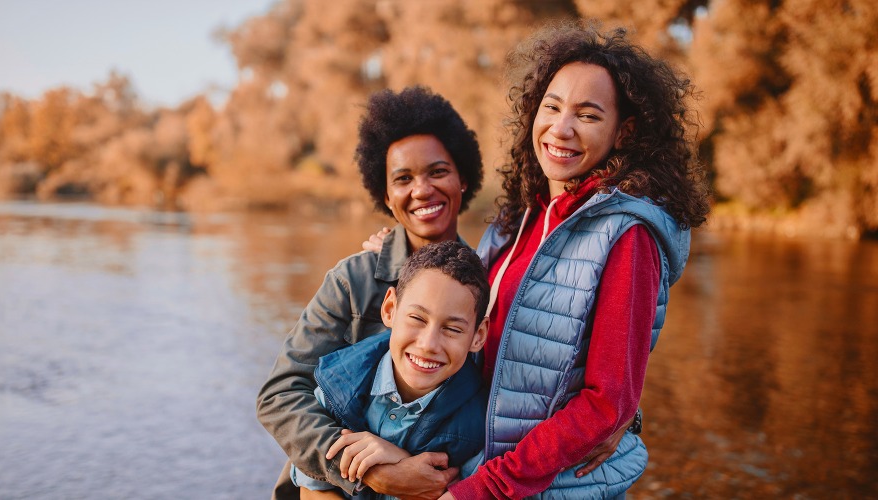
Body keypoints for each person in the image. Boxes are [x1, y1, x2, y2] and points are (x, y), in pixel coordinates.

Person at [431, 21, 710, 499]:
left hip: (549, 486)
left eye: (588, 115)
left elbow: (606, 402)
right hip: (482, 464)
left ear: (624, 132)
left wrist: (484, 490)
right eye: (552, 107)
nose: (561, 128)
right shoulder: (520, 217)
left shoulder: (628, 235)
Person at [256, 86, 484, 500]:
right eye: (403, 179)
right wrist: (373, 470)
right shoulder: (352, 281)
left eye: (437, 171)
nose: (422, 190)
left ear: (463, 179)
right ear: (386, 196)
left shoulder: (487, 286)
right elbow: (281, 394)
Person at [304, 241, 491, 499]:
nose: (428, 345)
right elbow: (311, 488)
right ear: (390, 309)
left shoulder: (478, 428)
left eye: (453, 329)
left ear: (478, 336)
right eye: (417, 319)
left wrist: (399, 459)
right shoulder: (339, 384)